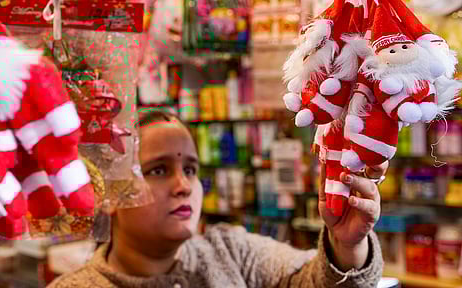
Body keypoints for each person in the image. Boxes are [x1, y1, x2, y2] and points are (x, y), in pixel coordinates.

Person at [48, 110, 385, 288]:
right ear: (108, 194)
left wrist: (346, 246)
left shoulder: (231, 253)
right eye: (157, 170)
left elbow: (318, 282)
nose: (183, 185)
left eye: (191, 169)